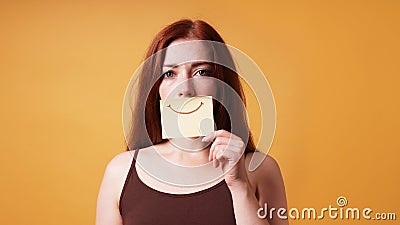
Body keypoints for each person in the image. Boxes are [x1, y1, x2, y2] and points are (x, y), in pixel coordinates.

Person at [96, 19, 288, 225]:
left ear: (222, 85)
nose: (185, 89)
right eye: (169, 74)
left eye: (201, 72)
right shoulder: (121, 171)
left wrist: (240, 186)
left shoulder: (261, 169)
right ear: (156, 88)